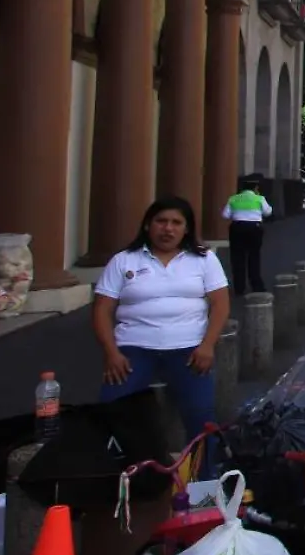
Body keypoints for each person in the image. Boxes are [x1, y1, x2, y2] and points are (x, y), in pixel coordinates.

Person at [92, 196, 229, 473]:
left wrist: (207, 345)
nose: (168, 229)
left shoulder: (204, 259)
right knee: (109, 414)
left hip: (189, 349)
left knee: (201, 419)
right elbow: (102, 310)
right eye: (161, 221)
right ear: (147, 225)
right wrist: (111, 353)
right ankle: (118, 484)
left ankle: (204, 485)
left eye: (176, 223)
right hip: (133, 349)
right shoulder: (123, 260)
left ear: (186, 229)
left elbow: (220, 304)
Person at [221, 176, 272, 297]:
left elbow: (225, 215)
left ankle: (239, 287)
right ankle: (256, 285)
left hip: (237, 228)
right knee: (254, 256)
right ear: (256, 188)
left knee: (237, 257)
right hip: (254, 228)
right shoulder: (259, 198)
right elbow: (268, 212)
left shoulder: (233, 199)